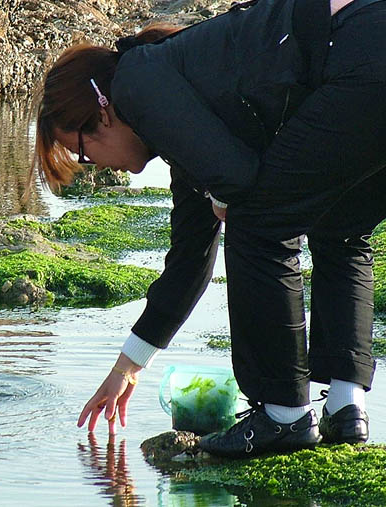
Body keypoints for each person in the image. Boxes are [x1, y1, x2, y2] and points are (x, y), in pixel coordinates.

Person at [32, 0, 385, 457]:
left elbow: (237, 182)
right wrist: (128, 367)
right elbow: (188, 263)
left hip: (359, 60)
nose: (92, 166)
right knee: (340, 228)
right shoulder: (181, 121)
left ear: (101, 111)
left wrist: (225, 201)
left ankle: (284, 416)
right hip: (368, 55)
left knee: (257, 224)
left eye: (80, 152)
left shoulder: (136, 82)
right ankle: (345, 407)